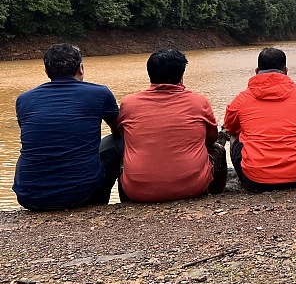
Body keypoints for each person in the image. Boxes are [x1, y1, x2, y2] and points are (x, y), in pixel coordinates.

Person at [13, 44, 121, 211]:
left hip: (29, 198)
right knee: (118, 143)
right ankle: (102, 203)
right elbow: (119, 130)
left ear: (47, 72)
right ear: (81, 68)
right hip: (83, 196)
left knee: (29, 150)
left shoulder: (24, 99)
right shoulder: (99, 93)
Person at [115, 49, 227, 202]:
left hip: (138, 191)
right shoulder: (199, 101)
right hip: (192, 187)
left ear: (150, 74)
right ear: (182, 75)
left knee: (123, 155)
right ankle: (215, 197)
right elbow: (212, 139)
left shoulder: (129, 103)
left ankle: (125, 203)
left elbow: (125, 137)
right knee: (219, 149)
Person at [223, 47, 296, 191]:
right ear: (286, 71)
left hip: (255, 179)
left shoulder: (240, 101)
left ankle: (245, 183)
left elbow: (230, 127)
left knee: (234, 137)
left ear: (257, 71)